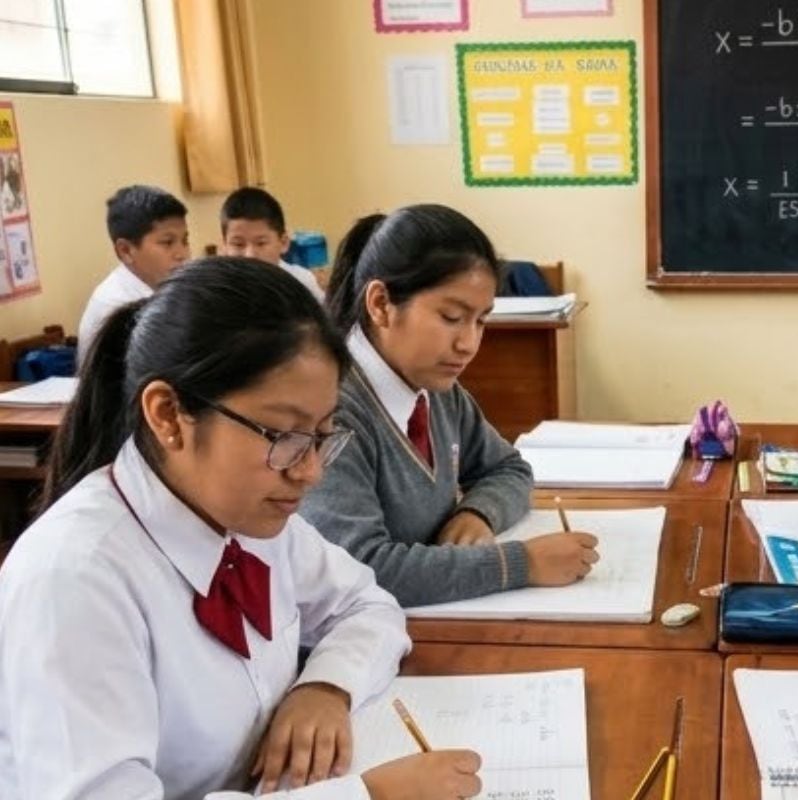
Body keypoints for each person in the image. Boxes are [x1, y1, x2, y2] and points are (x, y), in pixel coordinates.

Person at [0, 258, 481, 799]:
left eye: (323, 434)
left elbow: (368, 605)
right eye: (283, 433)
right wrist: (367, 795)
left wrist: (324, 687)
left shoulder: (245, 515)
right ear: (166, 413)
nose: (311, 470)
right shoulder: (74, 580)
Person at [300, 204, 598, 606]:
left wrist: (476, 514)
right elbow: (362, 568)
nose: (469, 344)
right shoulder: (331, 408)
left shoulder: (436, 388)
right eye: (452, 316)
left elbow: (509, 468)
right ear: (381, 303)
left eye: (480, 321)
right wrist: (520, 563)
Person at [78, 184, 190, 363]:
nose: (182, 254)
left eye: (185, 241)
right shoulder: (117, 307)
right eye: (168, 242)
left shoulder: (164, 288)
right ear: (126, 251)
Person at [220, 186, 324, 301]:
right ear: (225, 246)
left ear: (283, 243)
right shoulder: (218, 289)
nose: (250, 255)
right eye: (238, 244)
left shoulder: (301, 282)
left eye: (261, 243)